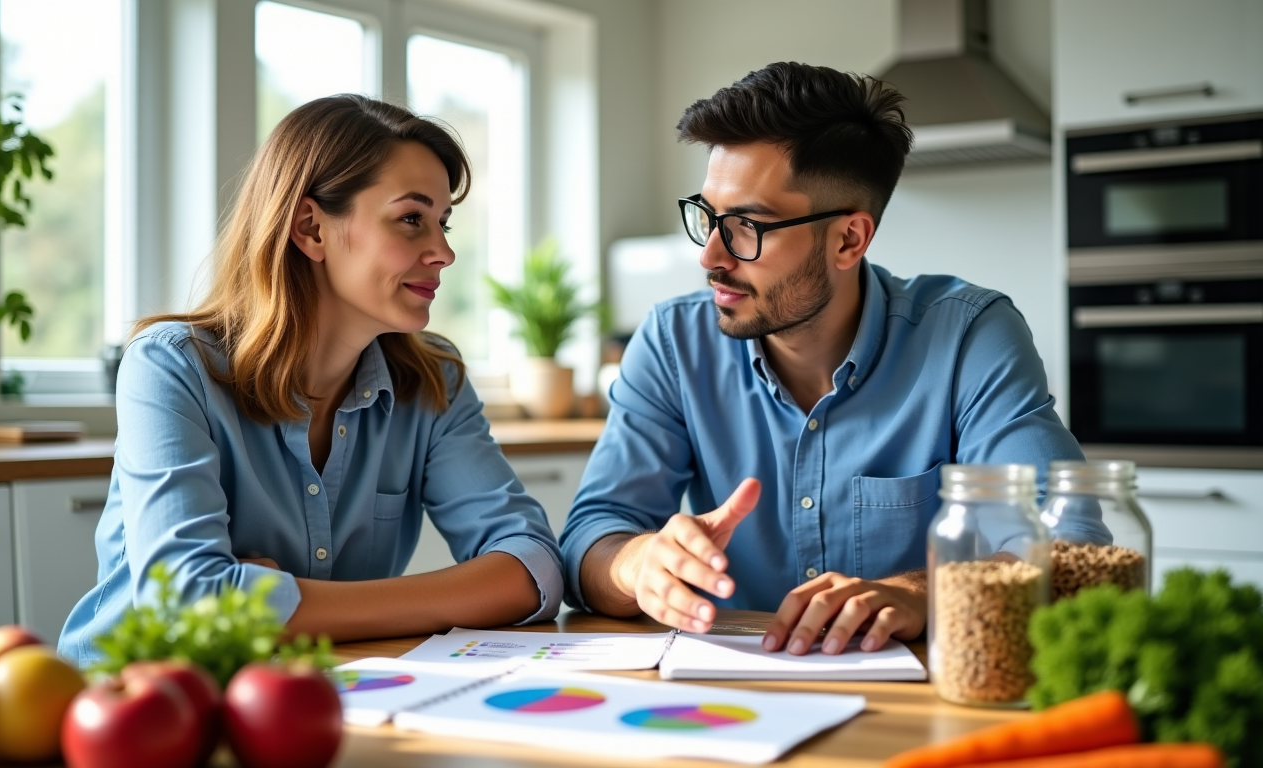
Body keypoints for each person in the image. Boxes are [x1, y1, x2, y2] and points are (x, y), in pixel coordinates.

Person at [560, 63, 1105, 658]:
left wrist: (925, 591)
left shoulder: (968, 337)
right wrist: (637, 563)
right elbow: (589, 539)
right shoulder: (673, 343)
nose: (711, 256)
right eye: (708, 217)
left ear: (849, 239)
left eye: (746, 225)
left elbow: (1072, 544)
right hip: (728, 693)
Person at [59, 96, 562, 666]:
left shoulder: (434, 382)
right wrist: (450, 596)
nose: (444, 252)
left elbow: (535, 568)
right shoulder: (170, 367)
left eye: (443, 224)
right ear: (311, 228)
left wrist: (273, 601)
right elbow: (190, 603)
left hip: (313, 687)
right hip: (137, 695)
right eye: (411, 219)